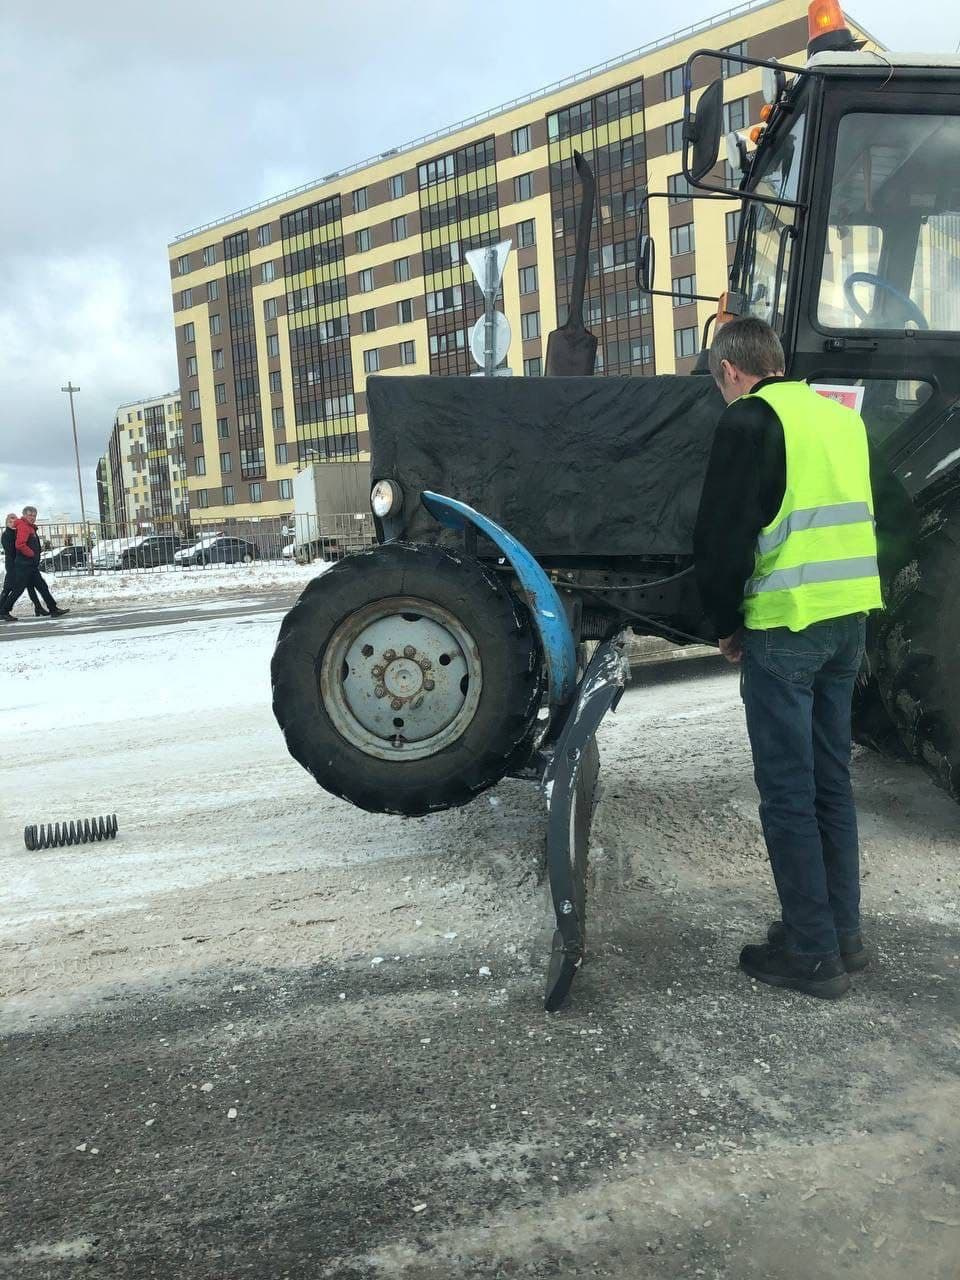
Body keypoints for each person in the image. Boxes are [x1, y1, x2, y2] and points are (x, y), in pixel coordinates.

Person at [693, 317, 917, 999]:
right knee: (829, 785)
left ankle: (812, 953)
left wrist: (726, 625)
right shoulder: (839, 419)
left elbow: (722, 538)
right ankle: (839, 935)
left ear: (732, 371)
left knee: (788, 793)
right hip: (847, 626)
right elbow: (900, 518)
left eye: (719, 384)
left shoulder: (750, 423)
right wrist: (859, 585)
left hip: (785, 629)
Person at [0, 506, 69, 622]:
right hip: (24, 565)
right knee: (18, 589)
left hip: (30, 565)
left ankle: (53, 609)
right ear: (24, 515)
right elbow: (20, 544)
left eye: (34, 516)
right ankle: (4, 611)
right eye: (30, 515)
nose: (32, 518)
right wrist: (31, 553)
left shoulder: (29, 527)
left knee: (42, 587)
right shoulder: (23, 526)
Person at [2, 513, 46, 616]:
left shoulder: (17, 532)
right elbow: (11, 550)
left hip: (22, 565)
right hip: (13, 565)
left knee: (30, 586)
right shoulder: (6, 535)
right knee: (8, 588)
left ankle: (38, 607)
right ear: (7, 523)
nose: (13, 523)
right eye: (10, 521)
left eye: (14, 520)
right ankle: (2, 610)